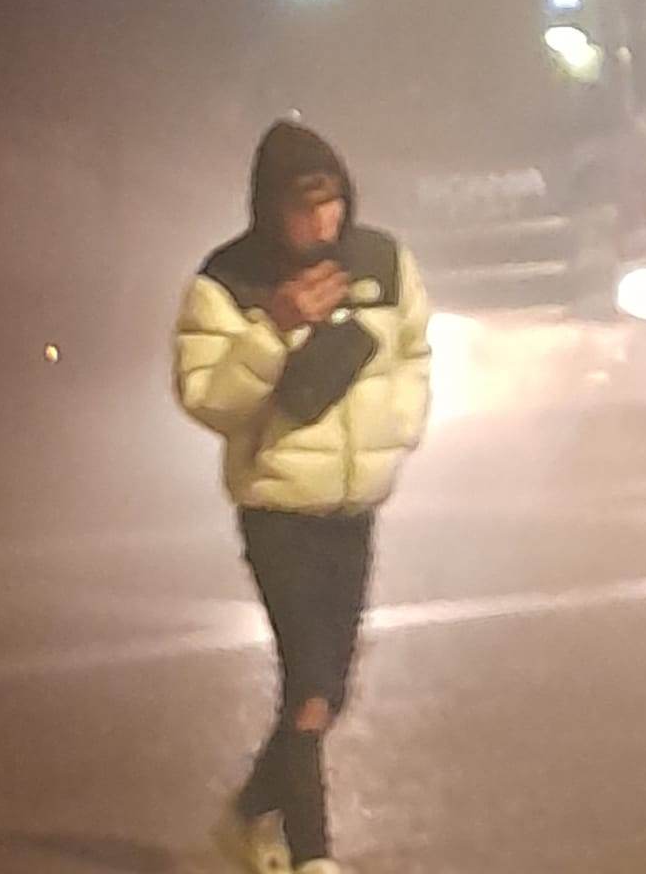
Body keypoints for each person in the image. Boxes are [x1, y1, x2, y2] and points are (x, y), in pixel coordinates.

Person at [174, 118, 432, 874]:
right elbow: (209, 399)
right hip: (278, 508)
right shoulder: (227, 281)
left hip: (354, 506)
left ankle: (246, 818)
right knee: (309, 684)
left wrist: (399, 428)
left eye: (332, 202)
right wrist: (274, 329)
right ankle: (312, 852)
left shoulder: (381, 261)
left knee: (331, 689)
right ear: (270, 208)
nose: (322, 223)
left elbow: (414, 352)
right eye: (303, 207)